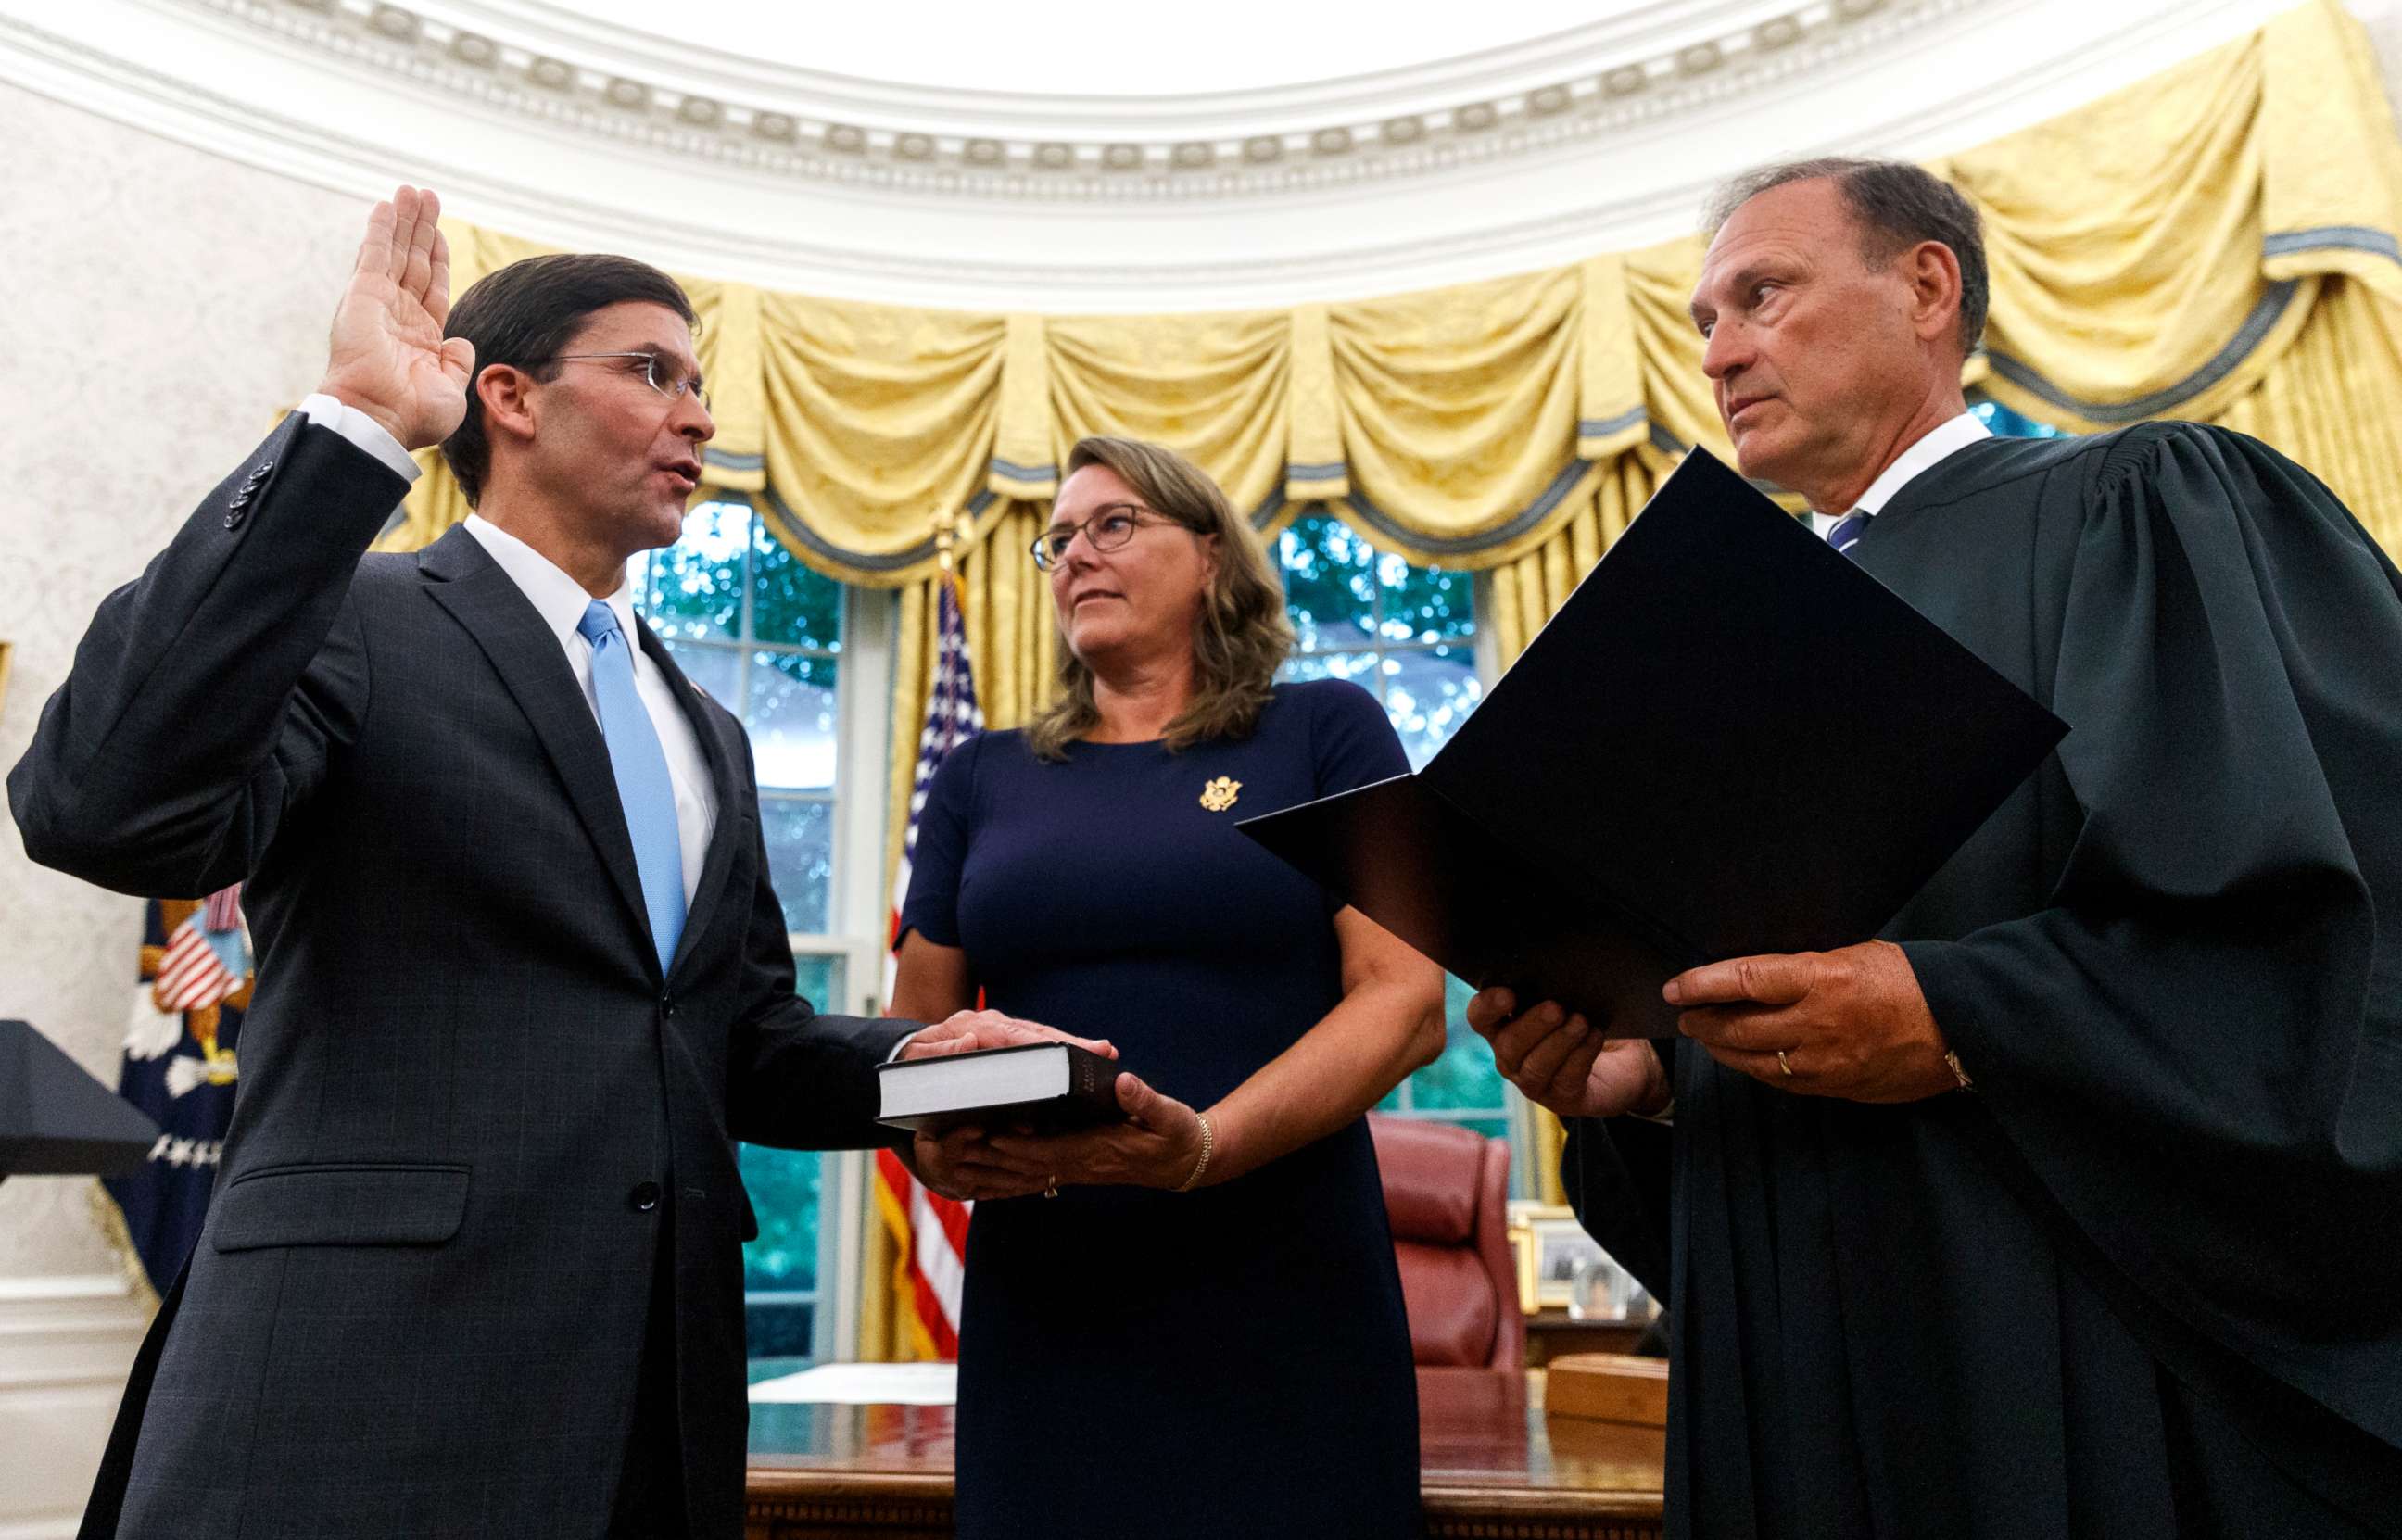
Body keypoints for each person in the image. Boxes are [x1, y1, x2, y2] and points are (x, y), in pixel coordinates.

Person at [10, 186, 1092, 1540]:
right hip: (352, 1393)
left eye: (702, 382)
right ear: (507, 397)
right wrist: (351, 429)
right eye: (653, 372)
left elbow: (735, 1036)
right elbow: (99, 805)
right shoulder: (351, 617)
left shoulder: (709, 729)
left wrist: (924, 1070)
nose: (699, 414)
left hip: (653, 1403)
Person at [1469, 158, 2402, 1537]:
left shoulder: (2136, 506)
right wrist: (1647, 1082)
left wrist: (1960, 1014)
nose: (1720, 350)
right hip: (1781, 1354)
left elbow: (2316, 934)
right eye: (1703, 324)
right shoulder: (1713, 654)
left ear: (1925, 286)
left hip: (2057, 1333)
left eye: (1761, 295)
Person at [888, 435, 1448, 1539]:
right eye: (1058, 540)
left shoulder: (1327, 731)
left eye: (1114, 524)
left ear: (1211, 558)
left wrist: (1205, 1147)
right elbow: (913, 1040)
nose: (1075, 555)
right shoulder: (979, 776)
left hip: (1285, 1284)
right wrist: (926, 1138)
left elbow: (1406, 1001)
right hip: (1051, 1297)